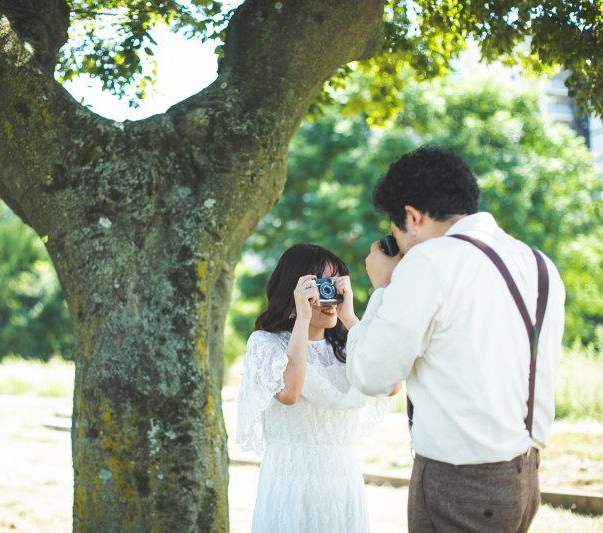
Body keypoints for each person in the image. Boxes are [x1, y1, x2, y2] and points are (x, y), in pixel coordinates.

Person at [345, 146, 566, 533]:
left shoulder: (429, 261)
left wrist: (383, 288)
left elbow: (370, 375)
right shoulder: (538, 262)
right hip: (524, 474)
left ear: (412, 217)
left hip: (458, 483)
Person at [236, 243, 399, 533]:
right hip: (290, 480)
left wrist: (349, 316)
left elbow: (390, 384)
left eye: (336, 284)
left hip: (342, 479)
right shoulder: (265, 344)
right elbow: (289, 393)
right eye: (321, 285)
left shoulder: (349, 345)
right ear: (295, 290)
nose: (330, 296)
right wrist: (303, 319)